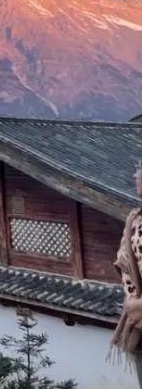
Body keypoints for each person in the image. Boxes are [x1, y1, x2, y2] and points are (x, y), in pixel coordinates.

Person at [113, 164, 142, 382]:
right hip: (137, 317)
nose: (135, 175)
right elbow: (124, 261)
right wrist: (133, 299)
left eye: (140, 170)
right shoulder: (135, 218)